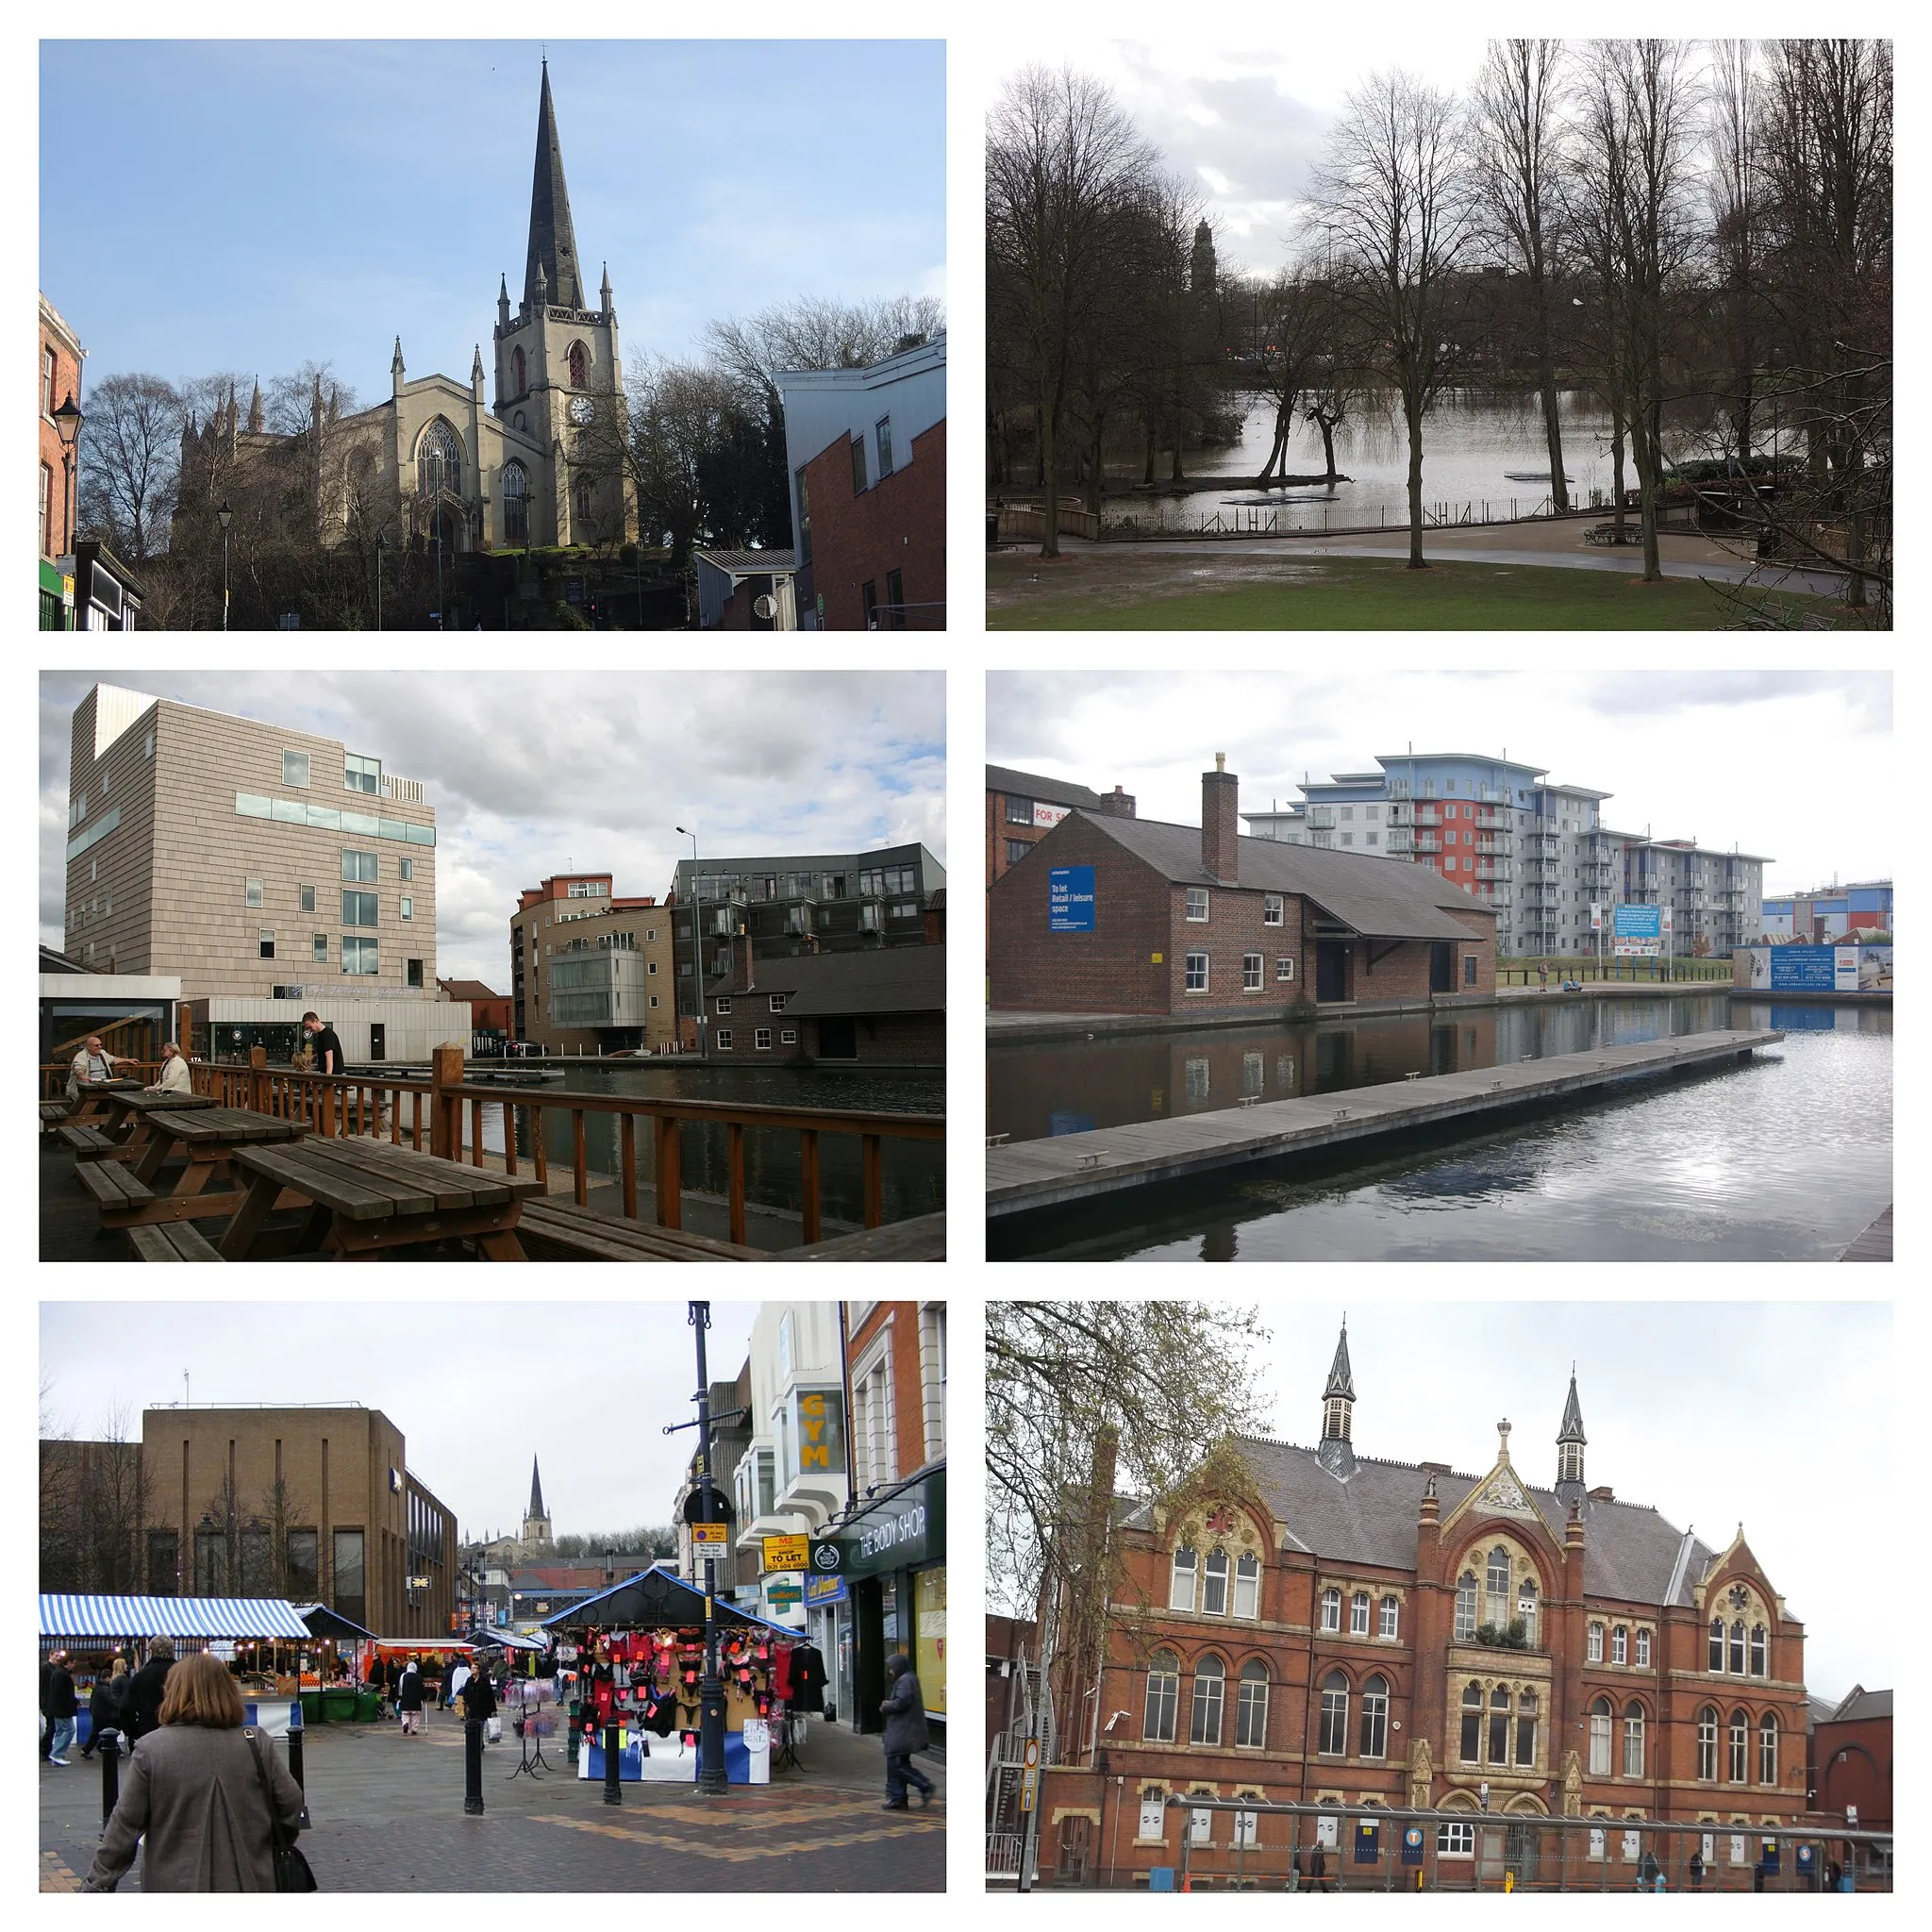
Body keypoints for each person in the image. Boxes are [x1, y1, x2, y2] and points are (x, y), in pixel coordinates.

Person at [82, 1652, 305, 1893]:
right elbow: (291, 1803)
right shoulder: (255, 1742)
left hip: (173, 1883)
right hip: (250, 1878)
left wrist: (95, 1885)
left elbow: (122, 1830)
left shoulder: (151, 1749)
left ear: (173, 1691)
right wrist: (266, 1841)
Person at [878, 1650, 935, 1811]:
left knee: (896, 1764)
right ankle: (898, 1798)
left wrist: (886, 1705)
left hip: (904, 1731)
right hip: (904, 1730)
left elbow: (902, 1702)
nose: (890, 1671)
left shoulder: (905, 1680)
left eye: (891, 1667)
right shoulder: (907, 1678)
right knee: (897, 1763)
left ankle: (924, 1785)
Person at [124, 1637, 177, 1744]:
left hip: (148, 1732)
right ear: (172, 1651)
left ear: (151, 1652)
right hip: (178, 1733)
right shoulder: (183, 1674)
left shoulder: (140, 1676)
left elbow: (126, 1709)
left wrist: (134, 1732)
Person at [82, 1658, 131, 1759]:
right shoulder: (105, 1688)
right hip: (103, 1714)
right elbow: (111, 1700)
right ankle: (114, 1750)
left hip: (98, 1713)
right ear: (107, 1678)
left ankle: (88, 1749)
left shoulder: (99, 1687)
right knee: (111, 1730)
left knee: (96, 1733)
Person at [67, 1035, 133, 1098]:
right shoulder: (81, 1056)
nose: (99, 1047)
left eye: (100, 1045)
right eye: (97, 1045)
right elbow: (78, 1069)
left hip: (104, 1087)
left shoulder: (102, 1053)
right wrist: (82, 1076)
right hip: (85, 1089)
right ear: (89, 1047)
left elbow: (113, 1060)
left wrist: (127, 1060)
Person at [45, 1654, 80, 1764]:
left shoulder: (57, 1672)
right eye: (73, 1663)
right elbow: (64, 1694)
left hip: (56, 1708)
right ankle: (57, 1753)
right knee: (69, 1730)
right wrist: (74, 1702)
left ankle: (56, 1756)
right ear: (68, 1663)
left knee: (60, 1731)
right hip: (63, 1709)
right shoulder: (63, 1675)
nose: (74, 1665)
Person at [459, 1658, 497, 1741]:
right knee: (473, 1726)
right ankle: (476, 1742)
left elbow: (490, 1695)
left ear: (479, 1670)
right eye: (471, 1668)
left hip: (482, 1708)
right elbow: (466, 1694)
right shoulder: (469, 1680)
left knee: (480, 1726)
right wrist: (468, 1703)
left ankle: (480, 1743)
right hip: (472, 1708)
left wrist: (493, 1709)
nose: (472, 1669)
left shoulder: (484, 1680)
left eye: (474, 1668)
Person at [300, 1011, 344, 1077]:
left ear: (316, 1021)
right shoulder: (321, 1034)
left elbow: (329, 1056)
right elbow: (325, 1051)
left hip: (334, 1075)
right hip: (329, 1073)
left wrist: (328, 1077)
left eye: (310, 1027)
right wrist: (314, 1057)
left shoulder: (327, 1034)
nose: (310, 1030)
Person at [397, 1658, 425, 1736]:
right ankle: (414, 1729)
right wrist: (423, 1697)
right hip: (416, 1699)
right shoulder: (419, 1677)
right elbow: (421, 1688)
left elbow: (400, 1688)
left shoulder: (403, 1676)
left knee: (405, 1714)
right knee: (415, 1715)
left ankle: (405, 1723)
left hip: (405, 1698)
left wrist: (399, 1697)